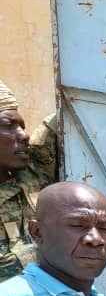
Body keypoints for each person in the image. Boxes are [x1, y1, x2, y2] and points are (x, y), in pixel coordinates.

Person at [0, 79, 58, 282]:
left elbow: (73, 109)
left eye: (22, 127)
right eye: (8, 126)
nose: (24, 135)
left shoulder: (33, 173)